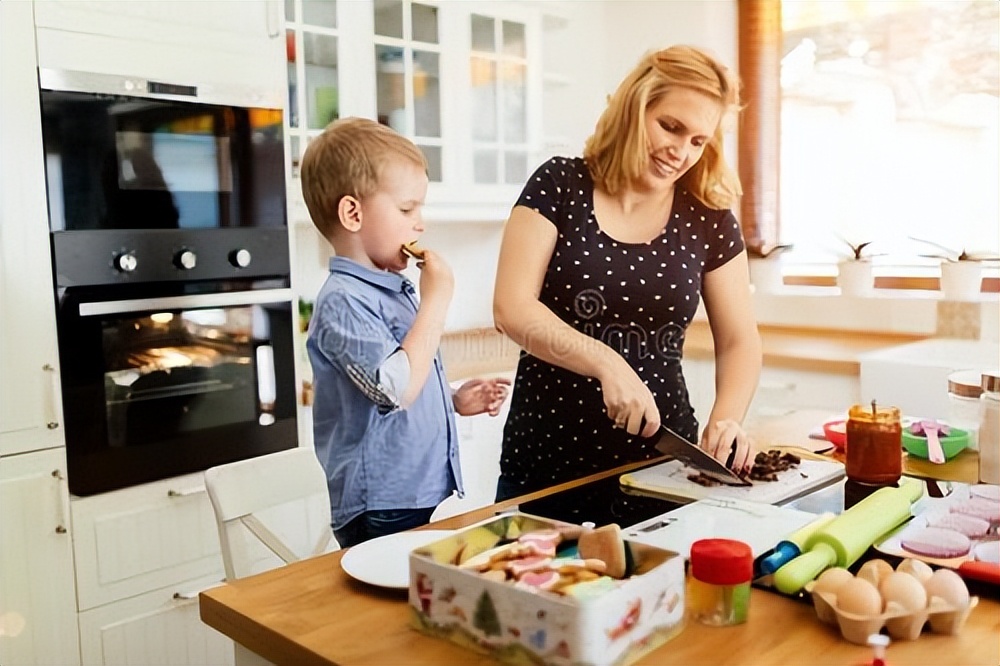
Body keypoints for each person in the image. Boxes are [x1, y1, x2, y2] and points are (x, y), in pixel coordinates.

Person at [492, 45, 762, 502]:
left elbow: (740, 340)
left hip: (664, 470)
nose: (681, 152)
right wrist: (606, 362)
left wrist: (726, 420)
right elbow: (511, 307)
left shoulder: (708, 219)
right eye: (670, 127)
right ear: (634, 108)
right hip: (546, 465)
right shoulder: (559, 184)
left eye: (699, 140)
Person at [300, 117, 510, 547]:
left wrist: (450, 400)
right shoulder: (343, 299)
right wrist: (438, 299)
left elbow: (399, 383)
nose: (420, 224)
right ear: (352, 213)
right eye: (407, 209)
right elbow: (393, 389)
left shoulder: (390, 290)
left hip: (412, 493)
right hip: (381, 503)